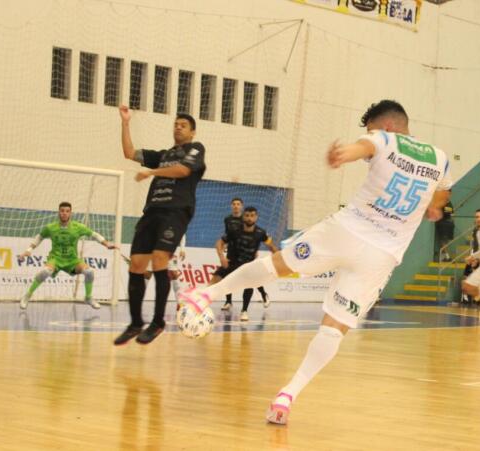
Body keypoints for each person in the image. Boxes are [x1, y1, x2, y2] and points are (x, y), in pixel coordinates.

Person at [181, 99, 453, 425]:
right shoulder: (440, 157)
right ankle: (287, 396)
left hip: (345, 231)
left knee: (277, 265)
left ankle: (205, 295)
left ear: (388, 126)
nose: (371, 134)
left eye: (372, 129)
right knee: (335, 328)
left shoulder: (384, 139)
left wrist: (344, 154)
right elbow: (443, 190)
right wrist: (434, 206)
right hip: (381, 255)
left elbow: (363, 147)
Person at [114, 106, 207, 346]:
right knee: (136, 264)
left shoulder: (195, 149)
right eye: (176, 124)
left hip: (175, 212)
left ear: (192, 132)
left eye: (183, 125)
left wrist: (151, 172)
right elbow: (129, 152)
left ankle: (157, 322)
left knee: (159, 259)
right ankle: (136, 323)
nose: (178, 127)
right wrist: (125, 122)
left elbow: (183, 170)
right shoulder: (164, 155)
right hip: (152, 211)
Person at [18, 202, 116, 309]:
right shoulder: (50, 227)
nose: (64, 213)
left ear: (70, 213)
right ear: (59, 212)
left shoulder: (78, 227)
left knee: (89, 272)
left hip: (72, 260)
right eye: (62, 211)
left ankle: (88, 297)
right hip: (55, 258)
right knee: (45, 271)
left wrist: (107, 244)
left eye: (67, 211)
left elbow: (94, 234)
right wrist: (29, 249)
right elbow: (40, 237)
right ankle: (28, 295)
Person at [211, 206, 278, 321]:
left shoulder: (261, 233)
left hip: (248, 265)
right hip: (232, 263)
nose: (249, 218)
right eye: (247, 215)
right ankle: (202, 302)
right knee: (215, 279)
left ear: (256, 217)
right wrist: (222, 257)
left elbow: (272, 246)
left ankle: (244, 311)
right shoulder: (234, 230)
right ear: (243, 217)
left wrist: (279, 258)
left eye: (252, 216)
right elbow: (219, 243)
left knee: (250, 283)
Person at [219, 198, 271, 311]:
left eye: (238, 204)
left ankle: (263, 294)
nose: (236, 206)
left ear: (242, 206)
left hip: (246, 253)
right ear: (231, 206)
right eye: (234, 204)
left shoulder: (247, 219)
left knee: (251, 277)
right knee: (227, 276)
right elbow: (227, 235)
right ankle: (228, 301)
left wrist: (255, 250)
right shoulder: (227, 219)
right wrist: (224, 248)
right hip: (232, 251)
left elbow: (254, 236)